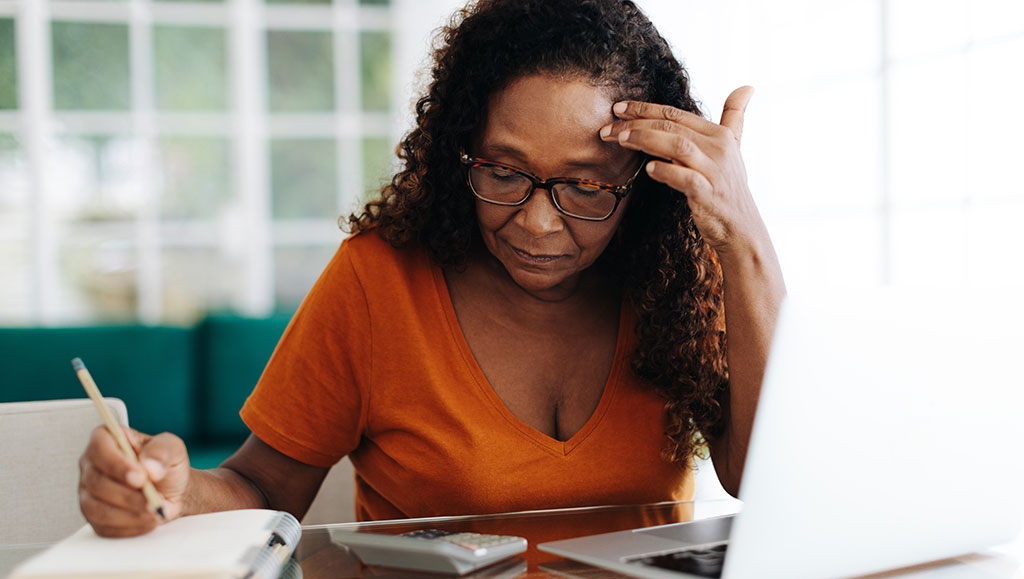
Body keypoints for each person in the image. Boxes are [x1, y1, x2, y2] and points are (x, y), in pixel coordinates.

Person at [78, 0, 785, 537]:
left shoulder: (680, 273)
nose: (538, 222)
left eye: (587, 185)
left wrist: (745, 236)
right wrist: (169, 491)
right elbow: (262, 486)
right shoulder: (378, 279)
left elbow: (769, 478)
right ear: (460, 151)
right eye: (504, 171)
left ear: (644, 177)